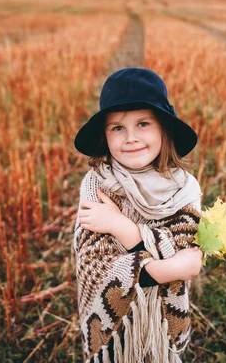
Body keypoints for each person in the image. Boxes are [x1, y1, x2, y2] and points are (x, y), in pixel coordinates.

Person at [73, 67, 204, 363]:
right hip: (116, 329)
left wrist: (123, 228)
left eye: (143, 123)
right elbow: (95, 264)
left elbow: (187, 248)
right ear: (105, 137)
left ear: (163, 129)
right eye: (117, 128)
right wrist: (167, 269)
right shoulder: (97, 185)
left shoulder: (184, 188)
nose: (131, 138)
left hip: (162, 323)